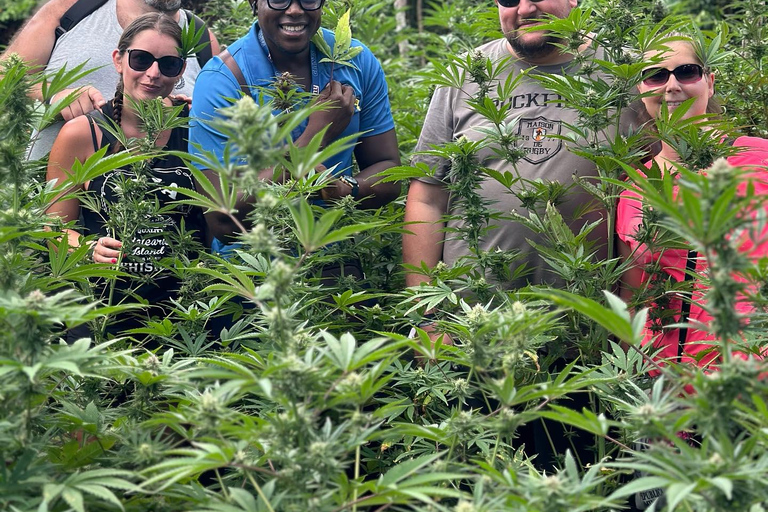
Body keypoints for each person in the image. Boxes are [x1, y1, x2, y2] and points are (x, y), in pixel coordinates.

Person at [403, 0, 633, 294]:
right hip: (471, 320)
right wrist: (426, 313)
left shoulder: (627, 70)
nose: (525, 9)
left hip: (588, 322)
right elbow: (427, 196)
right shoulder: (466, 73)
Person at [45, 12, 207, 340]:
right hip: (100, 313)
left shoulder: (194, 129)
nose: (153, 73)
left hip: (179, 315)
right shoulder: (83, 134)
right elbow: (53, 228)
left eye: (168, 65)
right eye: (141, 59)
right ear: (118, 60)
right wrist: (86, 249)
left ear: (181, 72)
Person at [188, 0, 400, 243]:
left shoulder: (355, 61)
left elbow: (390, 172)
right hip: (257, 266)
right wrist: (314, 139)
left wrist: (345, 189)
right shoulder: (222, 79)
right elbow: (223, 220)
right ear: (254, 3)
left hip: (339, 260)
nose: (295, 10)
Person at [617, 37, 768, 372]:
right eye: (655, 75)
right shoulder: (633, 187)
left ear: (709, 82)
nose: (671, 85)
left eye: (687, 72)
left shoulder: (759, 156)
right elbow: (632, 301)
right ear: (641, 89)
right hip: (665, 390)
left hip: (751, 384)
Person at [1, 0, 220, 160]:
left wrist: (194, 111)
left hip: (151, 207)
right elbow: (5, 78)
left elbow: (218, 125)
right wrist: (53, 95)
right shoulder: (72, 9)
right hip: (57, 199)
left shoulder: (202, 38)